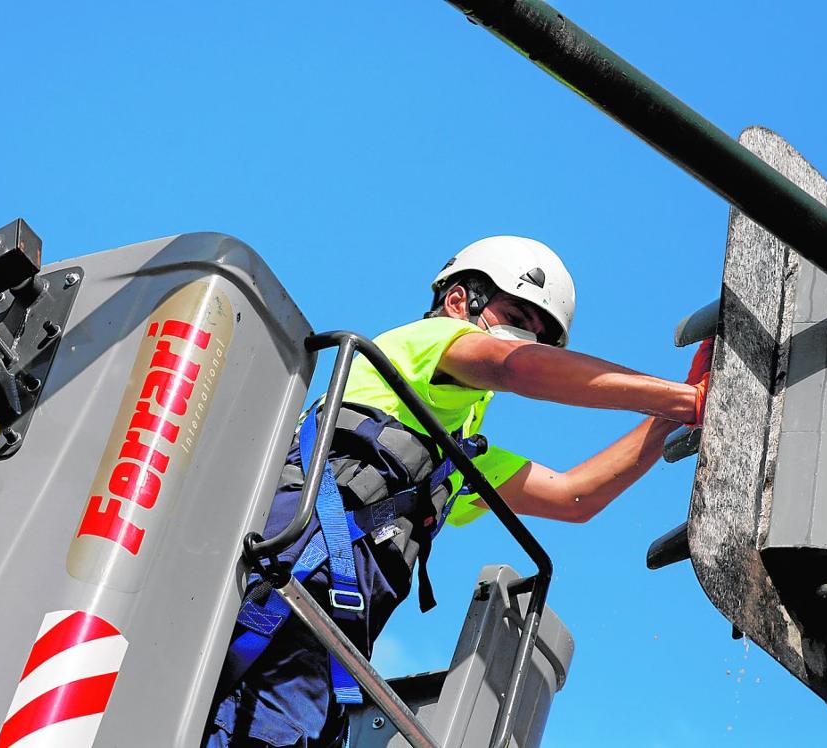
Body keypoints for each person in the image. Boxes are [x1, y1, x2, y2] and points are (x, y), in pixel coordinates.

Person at [205, 235, 712, 747]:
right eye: (517, 316)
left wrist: (671, 414)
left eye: (540, 334)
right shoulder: (419, 345)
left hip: (321, 648)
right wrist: (685, 398)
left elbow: (573, 496)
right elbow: (513, 366)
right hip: (283, 601)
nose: (526, 339)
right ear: (458, 303)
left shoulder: (447, 456)